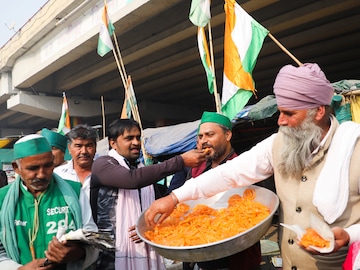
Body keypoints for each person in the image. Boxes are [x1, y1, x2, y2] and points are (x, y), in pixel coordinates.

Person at [145, 63, 360, 270]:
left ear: (319, 112)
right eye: (280, 112)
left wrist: (351, 235)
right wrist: (174, 198)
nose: (280, 121)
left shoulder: (353, 150)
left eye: (289, 114)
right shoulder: (278, 145)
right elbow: (229, 173)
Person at [90, 118, 208, 270]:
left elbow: (160, 203)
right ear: (113, 143)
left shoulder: (141, 169)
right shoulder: (103, 164)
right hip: (111, 255)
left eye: (138, 137)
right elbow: (132, 180)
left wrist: (146, 226)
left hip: (145, 248)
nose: (136, 142)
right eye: (129, 138)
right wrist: (180, 161)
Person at [167, 111, 261, 270]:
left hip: (234, 258)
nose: (204, 141)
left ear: (228, 135)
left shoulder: (244, 168)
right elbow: (176, 204)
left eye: (210, 135)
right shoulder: (193, 169)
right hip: (196, 255)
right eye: (201, 136)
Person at [0, 134, 98, 269]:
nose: (41, 174)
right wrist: (20, 269)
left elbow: (93, 238)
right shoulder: (2, 199)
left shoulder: (74, 191)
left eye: (47, 165)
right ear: (16, 168)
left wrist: (78, 252)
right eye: (33, 168)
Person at [55, 124, 98, 200]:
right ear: (69, 148)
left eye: (89, 146)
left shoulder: (104, 174)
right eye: (78, 146)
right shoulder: (58, 175)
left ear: (95, 147)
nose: (84, 151)